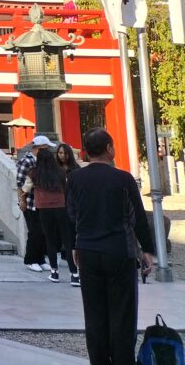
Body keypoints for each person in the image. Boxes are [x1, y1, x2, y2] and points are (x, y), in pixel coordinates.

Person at [67, 128, 154, 365]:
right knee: (122, 315)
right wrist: (147, 250)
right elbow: (137, 217)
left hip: (88, 251)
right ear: (109, 148)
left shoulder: (75, 178)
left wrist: (76, 244)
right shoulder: (124, 178)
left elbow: (72, 215)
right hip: (119, 251)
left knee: (94, 314)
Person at [25, 146, 78, 285]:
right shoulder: (60, 172)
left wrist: (22, 199)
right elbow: (65, 187)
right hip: (61, 207)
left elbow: (26, 188)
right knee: (67, 240)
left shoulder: (34, 173)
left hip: (44, 208)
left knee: (50, 240)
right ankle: (74, 274)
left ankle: (54, 273)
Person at [16, 135, 54, 272]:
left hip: (42, 202)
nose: (48, 150)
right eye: (46, 148)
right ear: (38, 148)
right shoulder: (27, 161)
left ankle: (40, 259)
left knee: (43, 232)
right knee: (35, 232)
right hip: (31, 202)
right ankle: (30, 259)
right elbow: (20, 183)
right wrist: (22, 200)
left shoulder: (44, 161)